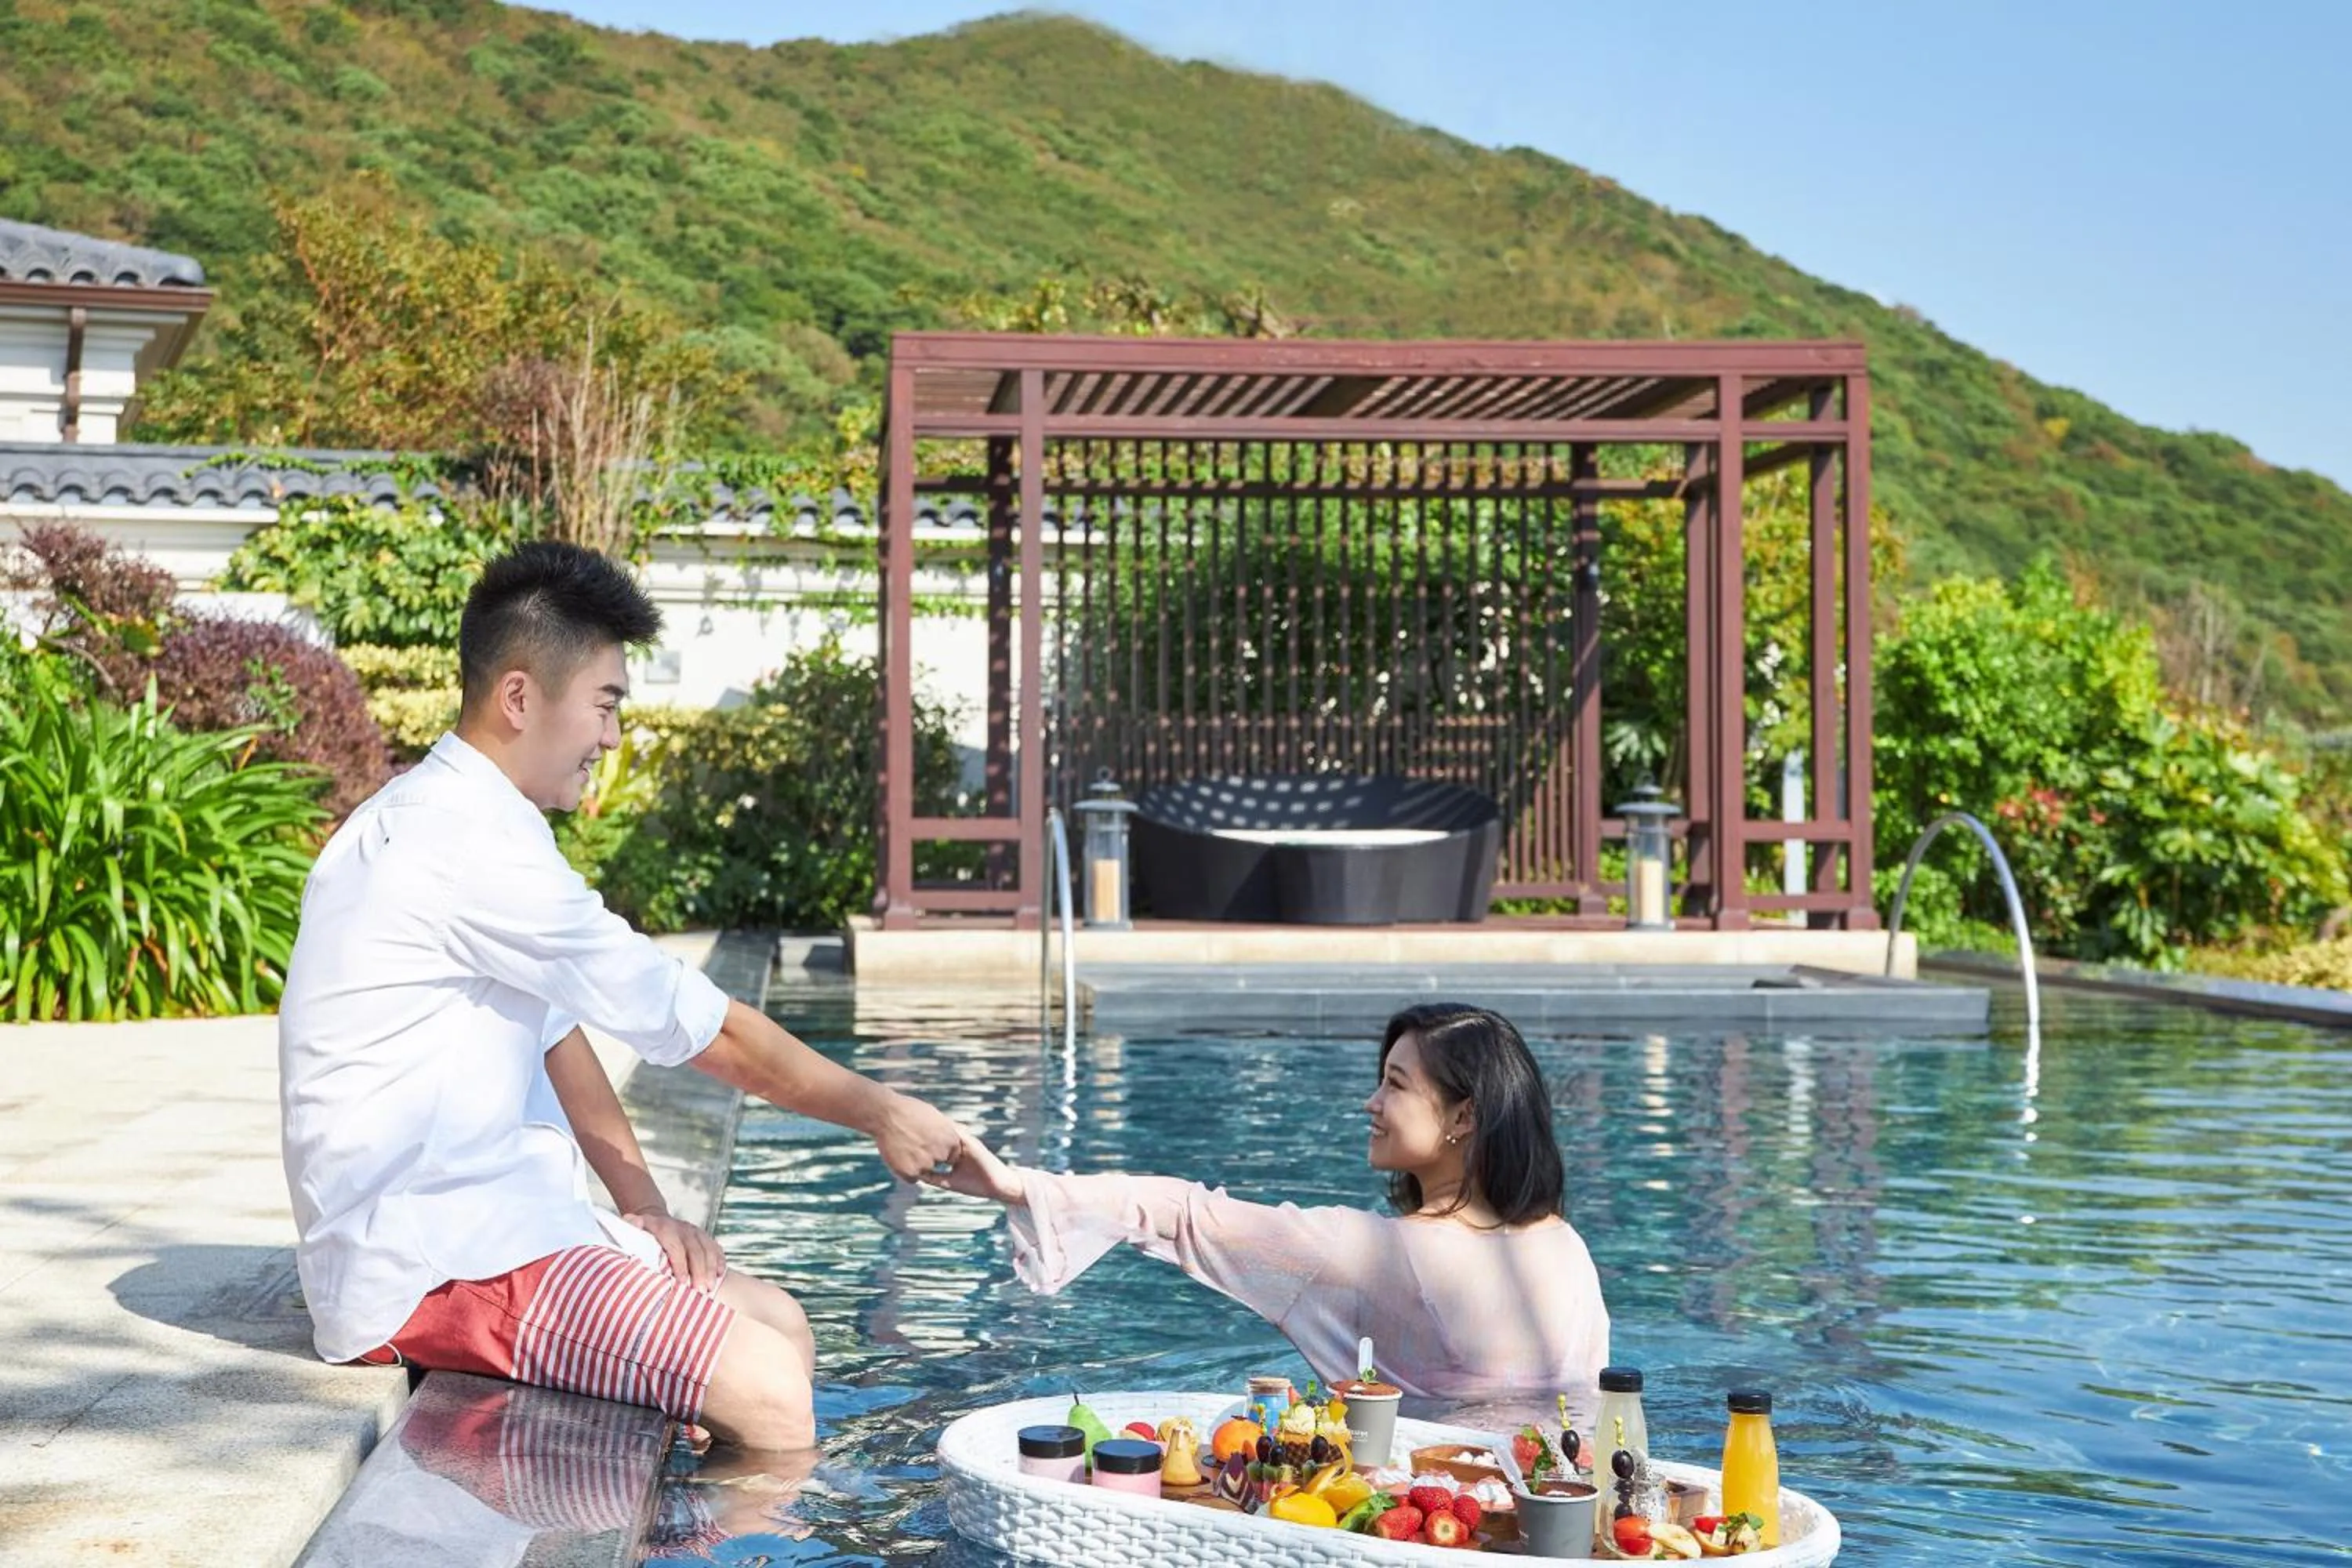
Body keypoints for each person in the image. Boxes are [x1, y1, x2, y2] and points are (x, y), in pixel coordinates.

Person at [278, 541, 965, 1452]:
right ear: (520, 696)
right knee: (770, 1394)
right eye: (604, 704)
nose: (611, 736)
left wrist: (646, 1205)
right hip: (432, 1261)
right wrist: (880, 1110)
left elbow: (562, 1040)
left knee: (783, 1324)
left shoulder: (475, 822)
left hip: (495, 1231)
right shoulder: (457, 843)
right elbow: (702, 1029)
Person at [935, 1003, 1610, 1401]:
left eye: (1395, 1085)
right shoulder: (1566, 1248)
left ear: (1462, 1116)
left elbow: (1180, 1213)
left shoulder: (1369, 1254)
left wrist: (1013, 1185)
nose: (1371, 1103)